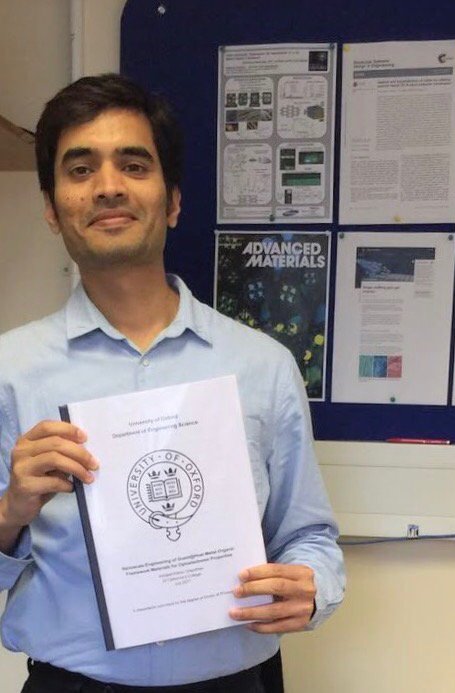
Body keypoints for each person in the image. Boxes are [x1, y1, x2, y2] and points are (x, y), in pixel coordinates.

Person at [0, 74, 345, 692]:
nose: (109, 186)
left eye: (134, 165)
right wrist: (11, 510)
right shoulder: (10, 370)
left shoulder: (261, 366)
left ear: (173, 201)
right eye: (80, 169)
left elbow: (308, 534)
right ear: (52, 209)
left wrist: (312, 586)